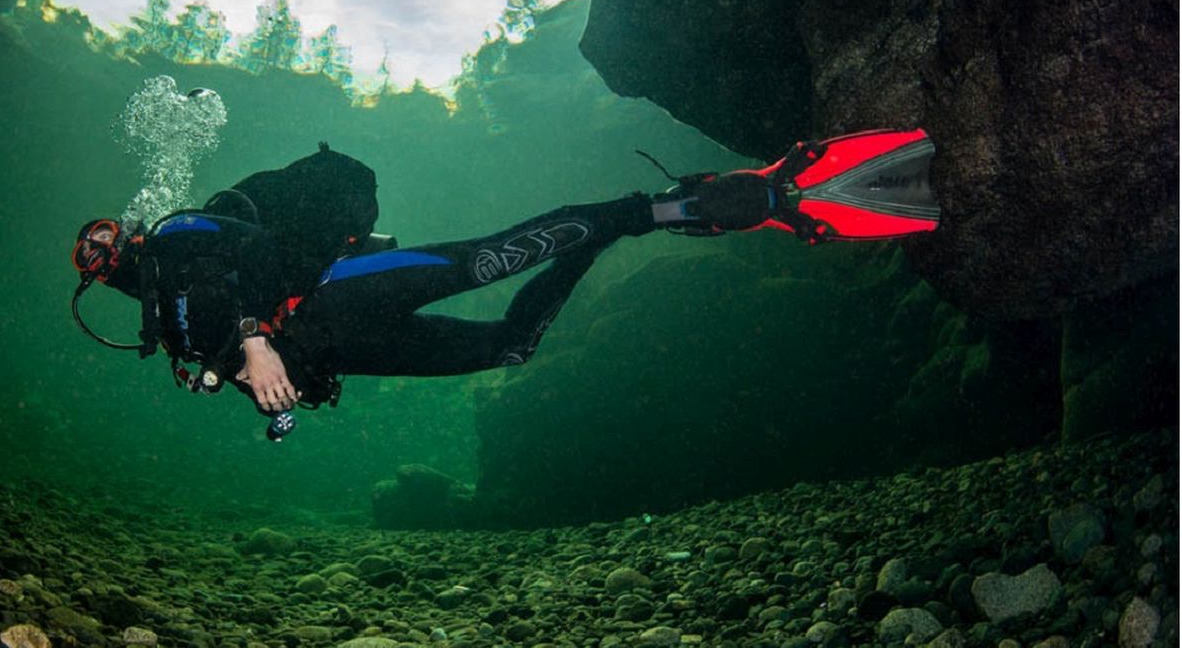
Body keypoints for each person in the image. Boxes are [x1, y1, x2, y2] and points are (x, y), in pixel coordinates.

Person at [72, 130, 939, 439]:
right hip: (342, 348)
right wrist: (276, 393)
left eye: (102, 237)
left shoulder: (180, 234)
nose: (101, 254)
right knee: (511, 344)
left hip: (341, 292)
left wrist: (258, 340)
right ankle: (616, 234)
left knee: (496, 255)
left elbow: (250, 252)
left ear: (127, 228)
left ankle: (674, 206)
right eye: (93, 256)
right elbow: (247, 360)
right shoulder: (164, 328)